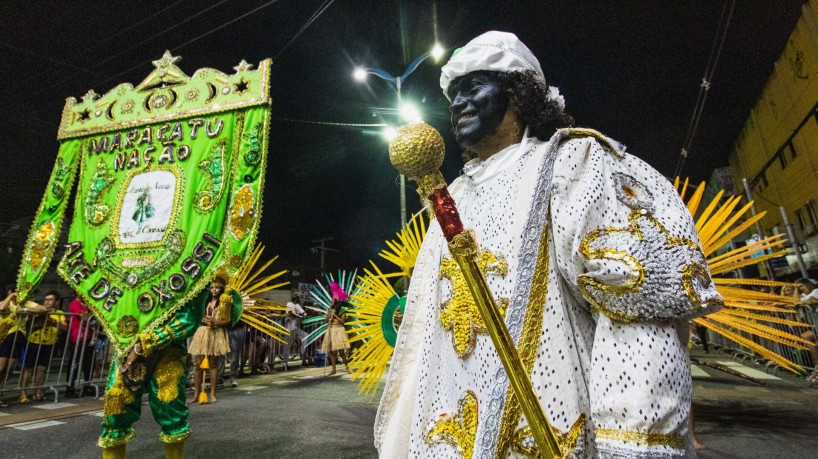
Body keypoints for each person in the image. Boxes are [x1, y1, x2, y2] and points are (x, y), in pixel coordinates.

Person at [375, 31, 723, 458]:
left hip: (556, 423)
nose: (458, 102)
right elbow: (424, 338)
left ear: (518, 94)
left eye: (474, 87)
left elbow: (636, 319)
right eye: (453, 93)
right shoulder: (454, 196)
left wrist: (634, 446)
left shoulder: (570, 164)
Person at [0, 286, 50, 407]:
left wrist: (26, 309)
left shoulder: (26, 303)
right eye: (16, 292)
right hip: (5, 337)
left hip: (19, 337)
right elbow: (1, 308)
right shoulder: (7, 302)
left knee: (8, 369)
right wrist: (11, 297)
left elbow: (43, 308)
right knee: (1, 368)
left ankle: (1, 394)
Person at [188, 277, 232, 404]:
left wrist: (216, 322)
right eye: (212, 287)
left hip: (216, 333)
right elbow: (196, 315)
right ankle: (196, 394)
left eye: (217, 287)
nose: (214, 290)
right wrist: (203, 320)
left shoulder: (225, 301)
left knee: (213, 364)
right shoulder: (203, 301)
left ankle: (212, 393)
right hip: (202, 333)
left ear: (221, 289)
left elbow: (228, 320)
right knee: (198, 364)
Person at [19, 290, 66, 403]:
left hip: (49, 343)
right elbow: (29, 325)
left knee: (42, 369)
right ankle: (23, 393)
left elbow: (64, 327)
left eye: (50, 300)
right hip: (34, 342)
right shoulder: (38, 310)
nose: (47, 302)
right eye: (46, 299)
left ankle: (37, 392)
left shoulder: (59, 313)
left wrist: (53, 322)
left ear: (56, 302)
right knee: (29, 368)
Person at [66, 297, 96, 397]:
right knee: (75, 363)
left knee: (88, 363)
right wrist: (92, 315)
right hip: (78, 337)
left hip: (88, 336)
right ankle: (70, 386)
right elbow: (85, 318)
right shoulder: (75, 303)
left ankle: (87, 385)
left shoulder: (87, 304)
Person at [322, 282, 350, 376]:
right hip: (331, 330)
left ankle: (347, 368)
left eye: (333, 299)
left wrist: (334, 315)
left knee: (341, 351)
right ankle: (333, 370)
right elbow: (326, 321)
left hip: (339, 330)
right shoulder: (330, 309)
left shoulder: (343, 310)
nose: (331, 300)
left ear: (337, 301)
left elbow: (342, 322)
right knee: (332, 351)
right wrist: (329, 315)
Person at [284, 294, 308, 367]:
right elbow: (291, 313)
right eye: (298, 298)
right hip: (289, 328)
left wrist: (304, 314)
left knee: (305, 336)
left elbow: (303, 312)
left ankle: (302, 355)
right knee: (288, 345)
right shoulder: (289, 304)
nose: (299, 299)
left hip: (295, 328)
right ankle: (285, 362)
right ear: (295, 298)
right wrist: (300, 316)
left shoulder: (297, 305)